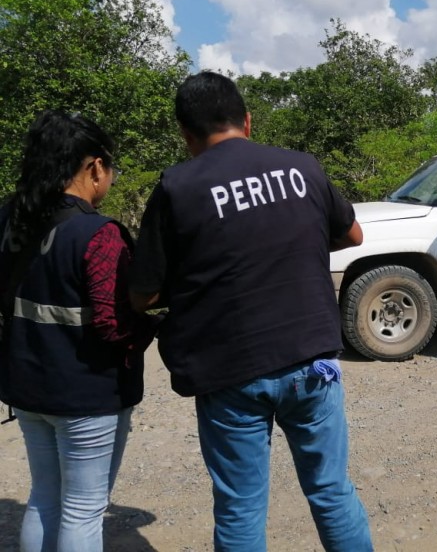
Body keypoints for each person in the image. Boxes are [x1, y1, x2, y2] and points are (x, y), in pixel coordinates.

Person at [129, 71, 373, 551]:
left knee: (240, 506)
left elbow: (142, 294)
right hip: (311, 359)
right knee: (330, 490)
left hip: (229, 370)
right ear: (247, 119)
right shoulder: (303, 168)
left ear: (187, 134)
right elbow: (353, 235)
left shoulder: (178, 187)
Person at [0, 110, 159, 552]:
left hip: (27, 388)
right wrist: (153, 327)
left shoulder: (10, 219)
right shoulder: (98, 234)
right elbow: (113, 323)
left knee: (44, 499)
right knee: (83, 509)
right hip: (87, 396)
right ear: (93, 167)